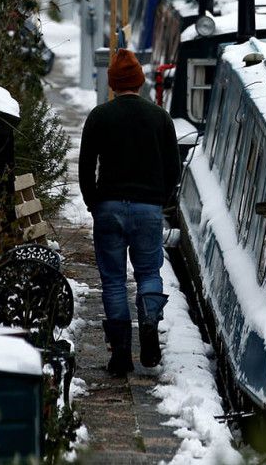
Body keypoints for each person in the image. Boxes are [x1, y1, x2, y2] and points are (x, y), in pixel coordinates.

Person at [79, 48, 178, 375]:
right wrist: (157, 200)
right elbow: (173, 170)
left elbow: (85, 168)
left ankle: (120, 355)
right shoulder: (160, 117)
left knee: (113, 280)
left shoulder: (99, 116)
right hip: (148, 208)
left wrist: (94, 203)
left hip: (108, 207)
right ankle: (148, 322)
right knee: (148, 273)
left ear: (112, 83)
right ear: (140, 81)